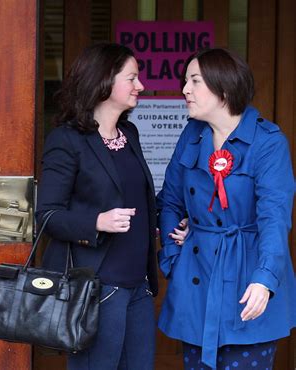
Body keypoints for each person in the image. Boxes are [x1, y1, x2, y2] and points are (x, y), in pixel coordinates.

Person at [36, 43, 186, 370]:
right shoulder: (67, 140)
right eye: (132, 78)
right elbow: (47, 215)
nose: (140, 86)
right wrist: (97, 222)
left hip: (139, 288)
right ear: (104, 81)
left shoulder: (129, 133)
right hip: (96, 289)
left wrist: (162, 222)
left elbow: (136, 200)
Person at [157, 47, 296, 370]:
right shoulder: (191, 135)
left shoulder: (268, 141)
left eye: (194, 81)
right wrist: (173, 257)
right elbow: (170, 201)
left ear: (223, 87)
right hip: (196, 276)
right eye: (185, 81)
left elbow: (274, 217)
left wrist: (265, 279)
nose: (184, 90)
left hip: (247, 275)